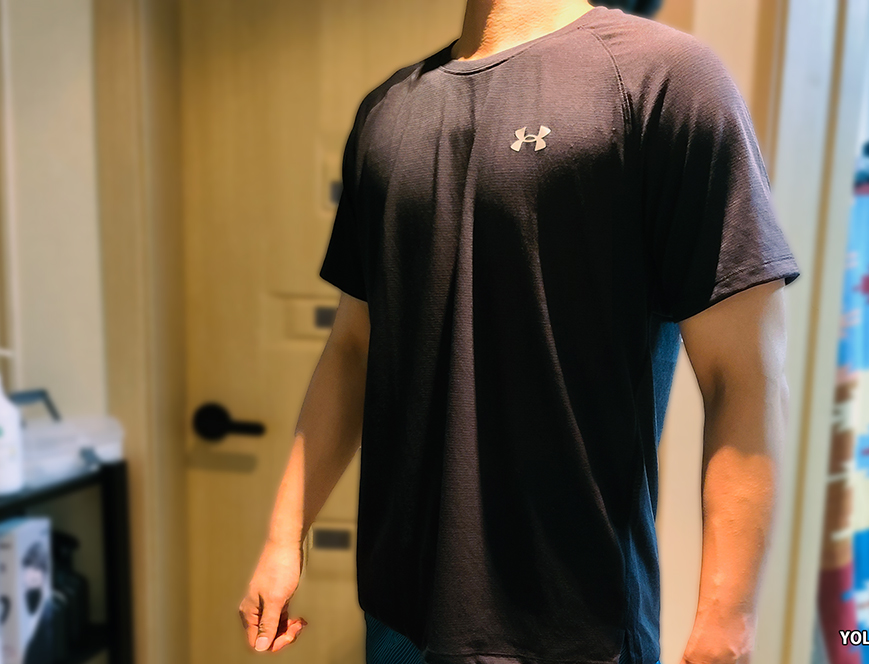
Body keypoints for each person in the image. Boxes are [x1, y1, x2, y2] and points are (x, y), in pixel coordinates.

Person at [238, 0, 801, 662]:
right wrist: (284, 536)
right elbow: (355, 346)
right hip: (400, 617)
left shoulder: (666, 79)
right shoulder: (386, 111)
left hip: (572, 625)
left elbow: (745, 373)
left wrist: (727, 624)